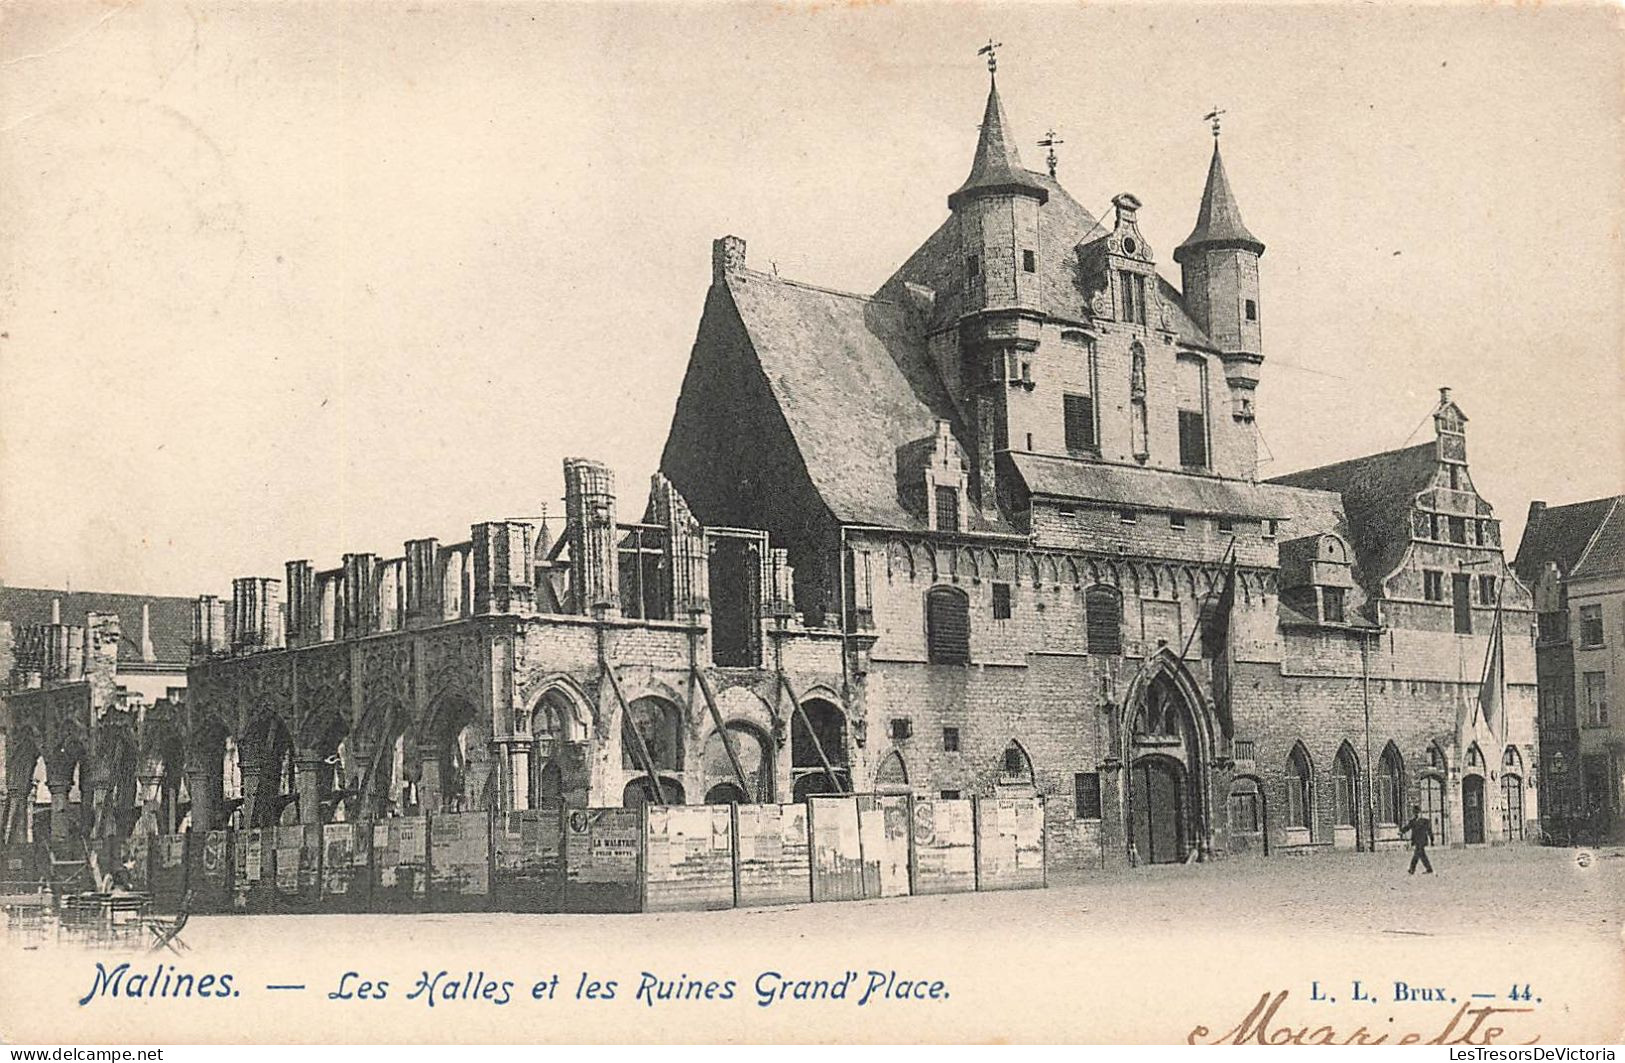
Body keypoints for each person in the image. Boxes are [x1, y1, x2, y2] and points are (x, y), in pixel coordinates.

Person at [1400, 804, 1435, 874]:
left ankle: (1412, 869)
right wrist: (1401, 832)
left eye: (1417, 812)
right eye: (1415, 812)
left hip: (1422, 840)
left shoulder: (1425, 821)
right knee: (1422, 855)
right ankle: (1429, 868)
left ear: (1420, 812)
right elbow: (1407, 827)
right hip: (1416, 840)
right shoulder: (1412, 821)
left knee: (1417, 854)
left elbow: (1429, 831)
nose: (1416, 814)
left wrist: (1432, 839)